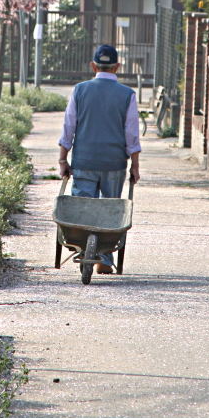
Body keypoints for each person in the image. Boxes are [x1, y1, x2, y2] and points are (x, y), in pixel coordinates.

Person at [58, 43, 141, 274]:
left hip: (84, 160)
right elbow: (131, 133)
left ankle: (84, 249)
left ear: (93, 65)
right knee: (110, 209)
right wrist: (135, 165)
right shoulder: (127, 95)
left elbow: (69, 127)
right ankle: (104, 258)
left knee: (83, 208)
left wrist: (63, 160)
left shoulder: (80, 90)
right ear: (118, 66)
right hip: (114, 163)